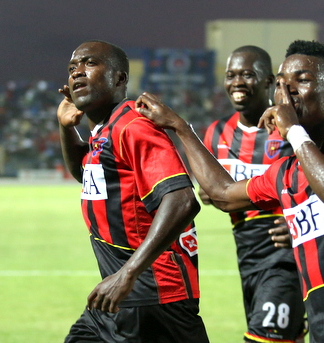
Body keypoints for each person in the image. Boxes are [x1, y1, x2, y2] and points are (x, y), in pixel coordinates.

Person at [135, 40, 324, 343]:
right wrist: (180, 127)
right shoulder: (286, 172)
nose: (288, 91)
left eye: (302, 80)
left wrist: (294, 131)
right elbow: (223, 193)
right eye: (282, 83)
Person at [56, 40, 209, 343]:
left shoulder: (133, 126)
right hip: (118, 298)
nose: (77, 73)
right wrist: (65, 128)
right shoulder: (105, 130)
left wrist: (128, 274)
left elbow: (182, 199)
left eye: (89, 63)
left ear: (119, 78)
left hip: (153, 297)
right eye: (73, 67)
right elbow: (87, 176)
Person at [200, 45, 305, 343]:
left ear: (268, 81)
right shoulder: (216, 133)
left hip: (285, 250)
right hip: (246, 250)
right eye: (231, 75)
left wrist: (300, 218)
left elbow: (319, 178)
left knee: (264, 338)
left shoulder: (290, 128)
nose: (237, 82)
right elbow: (209, 186)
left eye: (247, 74)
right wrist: (208, 193)